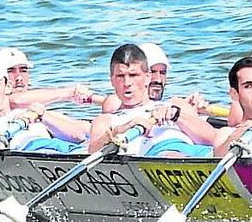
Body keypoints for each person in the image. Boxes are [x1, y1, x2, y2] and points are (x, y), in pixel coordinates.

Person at [87, 44, 217, 156]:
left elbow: (212, 139)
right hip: (160, 156)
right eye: (120, 76)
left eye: (133, 75)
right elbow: (93, 150)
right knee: (170, 155)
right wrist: (118, 131)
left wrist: (175, 115)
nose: (127, 83)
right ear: (112, 80)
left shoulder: (175, 104)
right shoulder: (106, 120)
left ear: (148, 77)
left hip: (198, 153)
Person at [0, 54, 86, 151]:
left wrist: (43, 117)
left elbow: (78, 136)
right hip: (30, 157)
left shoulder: (29, 113)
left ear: (7, 87)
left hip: (65, 151)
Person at [99, 42, 209, 115]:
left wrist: (186, 108)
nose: (158, 80)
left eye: (162, 73)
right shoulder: (114, 102)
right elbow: (112, 102)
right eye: (153, 72)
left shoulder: (173, 104)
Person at [0, 47, 97, 109]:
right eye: (10, 71)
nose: (19, 77)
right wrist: (69, 93)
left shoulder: (36, 103)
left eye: (23, 70)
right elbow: (16, 100)